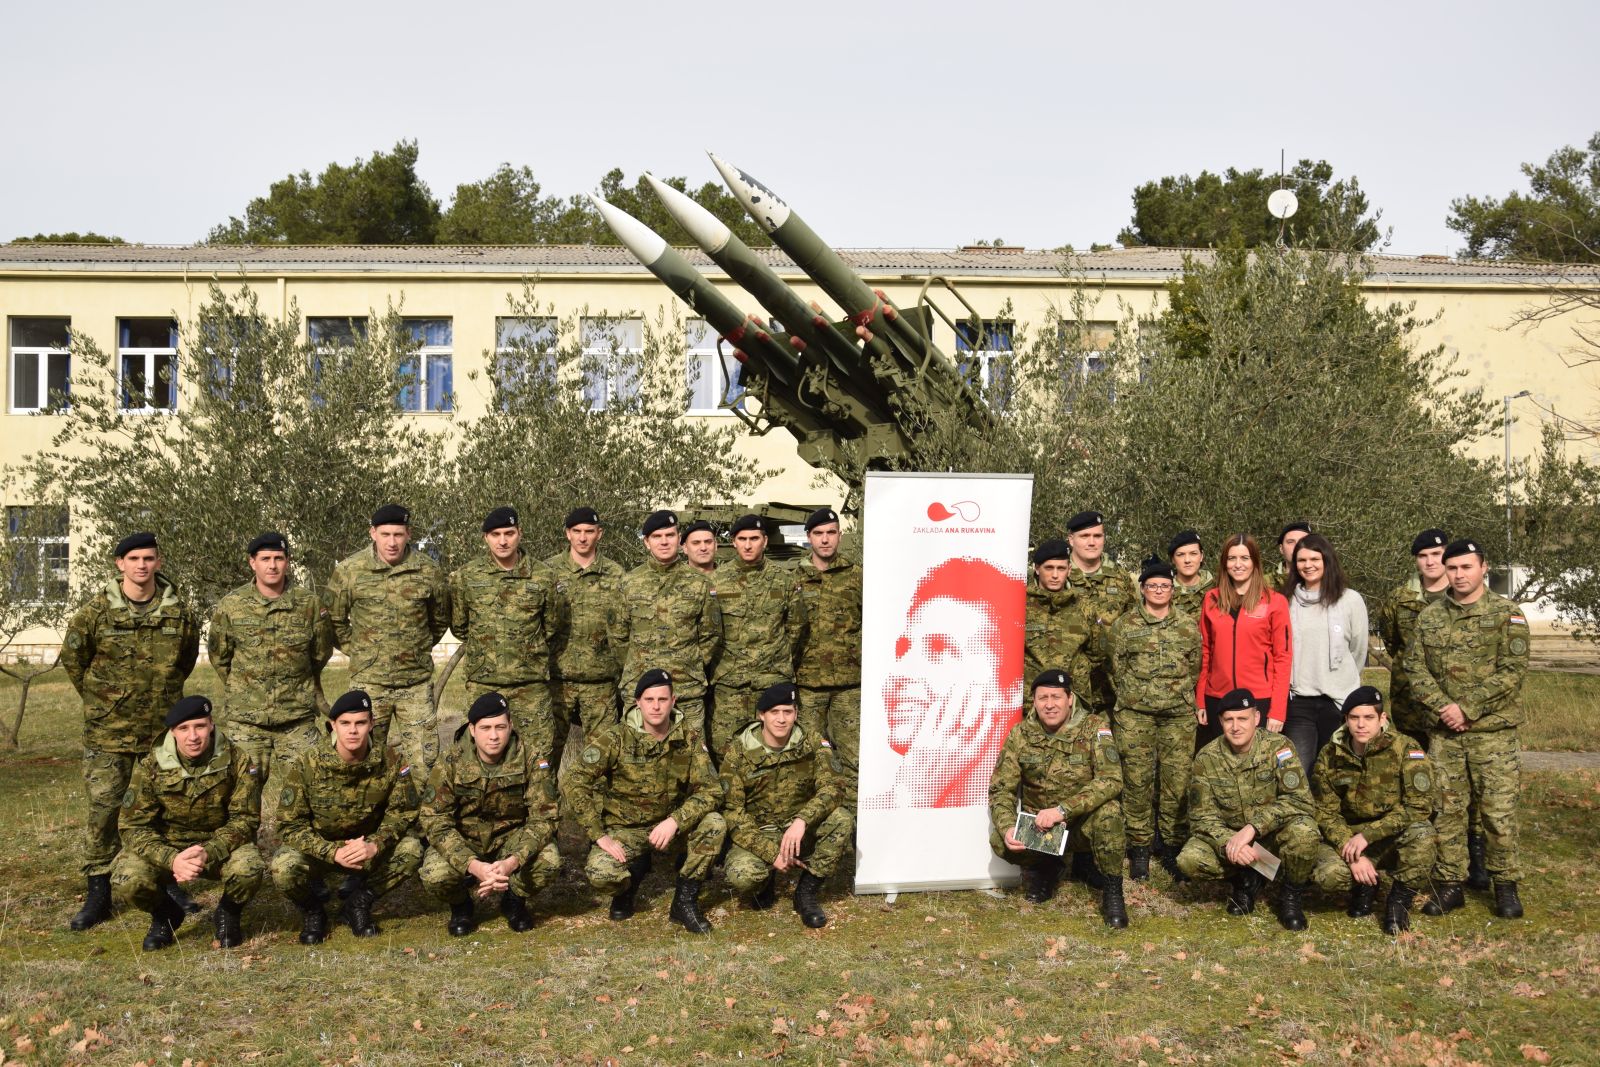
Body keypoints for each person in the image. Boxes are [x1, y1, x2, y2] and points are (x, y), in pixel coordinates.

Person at [62, 531, 202, 931]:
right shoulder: (95, 613)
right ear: (119, 564)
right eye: (134, 559)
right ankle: (99, 891)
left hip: (161, 735)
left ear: (158, 562)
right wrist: (104, 702)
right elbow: (74, 660)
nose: (142, 565)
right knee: (104, 810)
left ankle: (167, 881)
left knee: (164, 809)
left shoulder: (179, 614)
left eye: (149, 558)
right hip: (109, 733)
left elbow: (185, 661)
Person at [1405, 539, 1530, 919]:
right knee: (1448, 812)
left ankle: (1505, 885)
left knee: (1498, 813)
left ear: (1483, 568)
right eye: (1453, 568)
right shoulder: (1430, 617)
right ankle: (1450, 885)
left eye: (1466, 567)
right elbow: (1415, 668)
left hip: (1493, 735)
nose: (1459, 575)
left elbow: (1512, 671)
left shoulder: (1507, 614)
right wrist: (1445, 709)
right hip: (1446, 734)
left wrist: (1468, 709)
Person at [566, 669, 727, 934]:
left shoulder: (688, 737)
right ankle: (626, 888)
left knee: (715, 824)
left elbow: (712, 789)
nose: (656, 706)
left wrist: (676, 821)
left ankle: (684, 902)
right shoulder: (616, 738)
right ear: (637, 702)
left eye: (662, 699)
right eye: (649, 699)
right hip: (626, 830)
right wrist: (598, 835)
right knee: (601, 874)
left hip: (670, 828)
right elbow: (574, 780)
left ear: (673, 701)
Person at [1379, 528, 1492, 890]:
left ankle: (1474, 854)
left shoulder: (1463, 596)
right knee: (1415, 779)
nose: (1430, 562)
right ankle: (1420, 849)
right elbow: (1394, 644)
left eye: (1437, 555)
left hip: (1457, 712)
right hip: (1412, 707)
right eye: (1423, 556)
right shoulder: (1400, 599)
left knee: (1462, 786)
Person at [110, 696, 264, 951]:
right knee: (126, 878)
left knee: (249, 869)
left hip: (218, 844)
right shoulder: (151, 765)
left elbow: (245, 819)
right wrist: (172, 859)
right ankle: (166, 914)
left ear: (211, 725)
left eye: (199, 726)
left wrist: (209, 852)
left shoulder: (237, 760)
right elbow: (133, 826)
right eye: (183, 728)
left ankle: (228, 912)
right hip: (168, 845)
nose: (193, 736)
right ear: (172, 731)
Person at [270, 690, 424, 943]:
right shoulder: (308, 763)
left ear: (371, 724)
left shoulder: (391, 760)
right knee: (283, 866)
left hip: (367, 849)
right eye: (345, 723)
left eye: (360, 723)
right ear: (333, 725)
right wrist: (331, 852)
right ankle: (313, 911)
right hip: (321, 850)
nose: (353, 731)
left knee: (412, 850)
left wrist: (376, 844)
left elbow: (403, 813)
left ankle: (357, 904)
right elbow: (289, 824)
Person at [877, 557, 1025, 809]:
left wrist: (914, 795)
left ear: (1010, 690)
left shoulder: (1035, 787)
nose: (899, 673)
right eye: (903, 650)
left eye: (939, 649)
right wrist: (910, 795)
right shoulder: (876, 809)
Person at [988, 669, 1128, 928]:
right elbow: (1001, 789)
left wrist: (1063, 810)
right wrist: (1007, 826)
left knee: (1110, 813)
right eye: (1043, 698)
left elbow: (1111, 780)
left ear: (1070, 699)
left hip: (1080, 825)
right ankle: (1046, 866)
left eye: (1056, 697)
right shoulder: (1021, 734)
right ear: (1034, 701)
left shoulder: (1094, 727)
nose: (1049, 705)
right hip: (1042, 831)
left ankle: (1113, 892)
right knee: (999, 841)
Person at [419, 692, 561, 936]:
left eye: (500, 727)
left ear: (510, 726)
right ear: (472, 729)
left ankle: (514, 899)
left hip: (511, 841)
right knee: (435, 874)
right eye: (485, 728)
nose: (494, 736)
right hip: (466, 841)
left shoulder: (532, 758)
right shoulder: (451, 760)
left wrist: (511, 862)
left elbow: (544, 818)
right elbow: (434, 820)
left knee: (549, 861)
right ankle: (461, 905)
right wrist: (472, 865)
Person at [324, 503, 450, 776]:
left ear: (408, 534)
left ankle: (419, 805)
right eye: (385, 535)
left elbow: (440, 618)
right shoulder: (349, 570)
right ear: (373, 533)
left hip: (415, 685)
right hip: (369, 684)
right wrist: (360, 651)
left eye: (398, 534)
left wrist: (417, 647)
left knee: (425, 764)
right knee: (363, 760)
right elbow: (333, 620)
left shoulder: (428, 571)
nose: (392, 542)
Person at [1178, 689, 1320, 930]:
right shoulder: (1206, 758)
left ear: (1256, 718)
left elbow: (1299, 800)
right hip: (1234, 840)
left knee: (1304, 832)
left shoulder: (1279, 747)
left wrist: (1253, 828)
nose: (1236, 727)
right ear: (1220, 721)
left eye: (1242, 718)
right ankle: (1246, 880)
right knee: (1189, 859)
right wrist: (1229, 843)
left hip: (1272, 836)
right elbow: (1201, 817)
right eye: (1229, 720)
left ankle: (1290, 896)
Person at [208, 531, 334, 792]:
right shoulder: (231, 606)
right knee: (241, 795)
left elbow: (320, 653)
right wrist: (248, 690)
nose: (272, 565)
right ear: (252, 562)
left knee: (311, 788)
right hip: (247, 722)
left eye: (279, 558)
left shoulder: (309, 604)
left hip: (296, 719)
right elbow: (220, 657)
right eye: (265, 559)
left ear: (287, 561)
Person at [721, 683, 851, 928]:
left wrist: (802, 820)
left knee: (842, 819)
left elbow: (834, 787)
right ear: (761, 715)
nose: (781, 719)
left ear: (796, 713)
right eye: (774, 712)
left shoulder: (811, 742)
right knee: (744, 875)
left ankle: (806, 892)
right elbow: (733, 813)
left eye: (788, 712)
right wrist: (771, 853)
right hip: (759, 832)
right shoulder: (739, 751)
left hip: (799, 830)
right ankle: (764, 882)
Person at [1309, 687, 1436, 934]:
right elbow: (1325, 811)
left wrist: (1368, 836)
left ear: (1382, 718)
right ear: (1346, 720)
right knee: (1330, 876)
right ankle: (1364, 886)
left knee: (1423, 835)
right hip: (1349, 836)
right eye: (1354, 718)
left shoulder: (1405, 748)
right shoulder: (1330, 754)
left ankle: (1399, 901)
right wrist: (1352, 853)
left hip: (1389, 834)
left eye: (1368, 717)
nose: (1361, 725)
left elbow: (1418, 805)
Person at [1110, 559, 1201, 880]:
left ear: (1172, 590)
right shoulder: (1125, 625)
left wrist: (1175, 694)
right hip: (1135, 716)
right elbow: (1115, 668)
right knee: (1137, 781)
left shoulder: (1188, 625)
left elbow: (1194, 666)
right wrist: (1136, 695)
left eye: (1164, 586)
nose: (1159, 591)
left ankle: (1173, 846)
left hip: (1178, 716)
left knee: (1177, 781)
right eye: (1152, 586)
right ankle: (1139, 847)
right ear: (1143, 589)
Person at [448, 506, 562, 762]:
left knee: (538, 756)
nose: (502, 541)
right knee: (480, 757)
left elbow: (551, 625)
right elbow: (460, 626)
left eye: (509, 533)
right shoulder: (467, 576)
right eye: (495, 534)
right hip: (484, 683)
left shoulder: (544, 576)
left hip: (530, 686)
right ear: (485, 537)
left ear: (520, 533)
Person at [709, 514, 803, 762]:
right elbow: (708, 631)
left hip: (772, 681)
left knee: (775, 749)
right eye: (742, 539)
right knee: (725, 749)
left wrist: (775, 659)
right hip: (731, 682)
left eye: (754, 538)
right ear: (734, 542)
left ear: (765, 541)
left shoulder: (784, 580)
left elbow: (796, 628)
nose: (748, 545)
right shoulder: (716, 581)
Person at [616, 510, 722, 729]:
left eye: (670, 535)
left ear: (679, 539)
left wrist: (688, 663)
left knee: (690, 749)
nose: (664, 542)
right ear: (646, 542)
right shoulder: (628, 583)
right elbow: (618, 636)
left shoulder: (700, 583)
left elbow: (711, 634)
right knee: (639, 748)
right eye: (657, 536)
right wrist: (638, 664)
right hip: (640, 688)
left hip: (685, 689)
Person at [791, 507, 864, 805]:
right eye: (818, 534)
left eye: (831, 533)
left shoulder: (857, 575)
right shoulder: (793, 578)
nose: (825, 540)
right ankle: (813, 817)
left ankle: (853, 819)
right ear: (809, 537)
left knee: (854, 758)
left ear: (840, 536)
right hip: (808, 684)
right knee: (808, 756)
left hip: (850, 684)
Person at [1195, 534, 1291, 751]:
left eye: (1245, 558)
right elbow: (1205, 653)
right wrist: (1200, 699)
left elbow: (1283, 658)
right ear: (1224, 563)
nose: (1238, 564)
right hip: (1217, 698)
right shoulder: (1211, 600)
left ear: (1255, 562)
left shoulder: (1275, 602)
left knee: (1259, 764)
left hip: (1259, 699)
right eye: (1232, 558)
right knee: (1221, 763)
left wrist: (1278, 709)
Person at [546, 506, 626, 763]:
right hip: (557, 680)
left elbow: (625, 626)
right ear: (567, 533)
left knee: (602, 757)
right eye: (577, 531)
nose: (583, 537)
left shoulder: (616, 574)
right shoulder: (548, 572)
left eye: (589, 531)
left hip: (600, 682)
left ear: (599, 534)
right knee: (547, 754)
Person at [1283, 533, 1369, 773]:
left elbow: (1358, 649)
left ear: (1326, 560)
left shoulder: (1350, 600)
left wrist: (1340, 681)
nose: (1308, 565)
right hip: (1298, 701)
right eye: (1302, 560)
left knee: (1334, 770)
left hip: (1337, 701)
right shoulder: (1286, 601)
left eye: (1314, 559)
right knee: (1299, 770)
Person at [1063, 511, 1136, 716]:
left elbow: (1133, 625)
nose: (1092, 542)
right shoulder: (1058, 574)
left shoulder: (1121, 578)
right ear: (1071, 539)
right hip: (1068, 692)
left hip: (1112, 693)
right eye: (1085, 536)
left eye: (1097, 536)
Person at [1023, 538, 1096, 708]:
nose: (1055, 575)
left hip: (1074, 703)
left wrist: (1079, 672)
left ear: (1069, 570)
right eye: (1049, 568)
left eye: (1061, 568)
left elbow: (1097, 653)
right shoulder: (1020, 605)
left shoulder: (1084, 606)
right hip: (1031, 704)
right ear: (1037, 569)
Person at [1167, 530, 1214, 616]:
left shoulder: (1218, 588)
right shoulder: (1163, 591)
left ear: (1201, 556)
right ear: (1173, 559)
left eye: (1193, 553)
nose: (1187, 560)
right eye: (1181, 555)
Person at [1269, 522, 1312, 590]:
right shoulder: (1264, 583)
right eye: (1290, 542)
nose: (1297, 546)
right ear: (1281, 549)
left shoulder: (1325, 580)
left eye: (1303, 541)